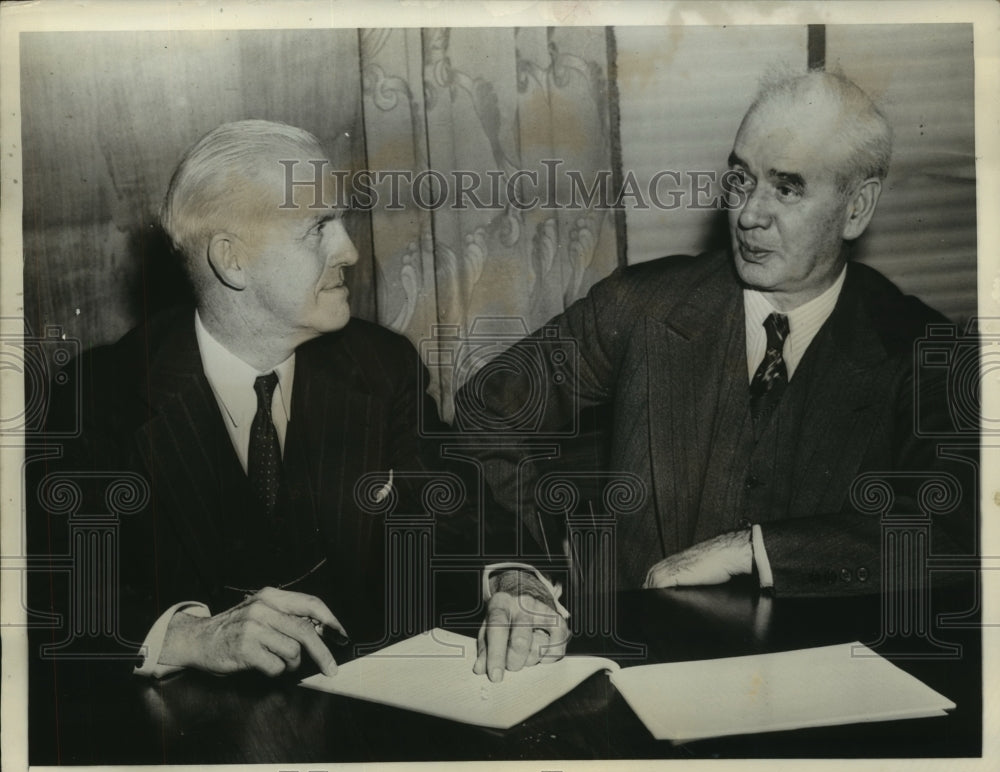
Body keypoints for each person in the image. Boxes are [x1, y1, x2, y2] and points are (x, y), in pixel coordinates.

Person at [459, 71, 976, 680]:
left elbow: (957, 527)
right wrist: (524, 572)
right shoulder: (639, 306)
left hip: (819, 688)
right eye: (741, 178)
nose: (749, 215)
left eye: (787, 189)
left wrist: (754, 550)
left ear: (856, 208)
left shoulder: (924, 348)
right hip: (631, 669)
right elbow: (487, 413)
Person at [28, 120, 486, 679]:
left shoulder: (381, 365)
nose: (349, 249)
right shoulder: (98, 395)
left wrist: (511, 582)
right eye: (318, 227)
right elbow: (45, 587)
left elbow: (462, 518)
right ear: (232, 260)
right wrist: (189, 635)